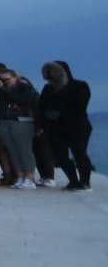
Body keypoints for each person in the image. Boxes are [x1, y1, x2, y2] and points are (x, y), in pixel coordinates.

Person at [0, 68, 40, 189]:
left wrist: (3, 89)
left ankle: (29, 178)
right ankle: (20, 177)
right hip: (3, 121)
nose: (5, 81)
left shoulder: (24, 87)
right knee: (12, 151)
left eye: (7, 79)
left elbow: (20, 99)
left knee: (24, 150)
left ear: (15, 77)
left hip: (21, 122)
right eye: (2, 79)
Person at [38, 61, 93, 191]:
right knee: (60, 156)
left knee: (79, 154)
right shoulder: (48, 88)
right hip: (56, 128)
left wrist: (62, 89)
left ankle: (85, 182)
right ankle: (73, 181)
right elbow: (41, 106)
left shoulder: (80, 86)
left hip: (78, 127)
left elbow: (81, 103)